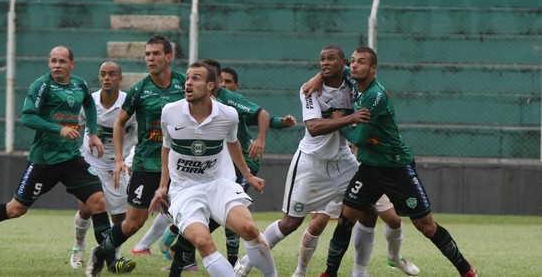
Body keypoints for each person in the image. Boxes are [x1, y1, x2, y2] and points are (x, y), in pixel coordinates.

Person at [0, 46, 135, 273]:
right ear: (49, 63)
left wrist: (93, 133)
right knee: (16, 209)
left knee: (98, 202)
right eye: (53, 61)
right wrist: (59, 129)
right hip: (44, 161)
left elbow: (88, 104)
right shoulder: (42, 85)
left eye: (62, 61)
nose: (57, 65)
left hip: (71, 159)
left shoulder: (79, 84)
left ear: (72, 64)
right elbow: (27, 117)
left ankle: (109, 259)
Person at [316, 46, 477, 277]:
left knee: (426, 226)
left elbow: (360, 138)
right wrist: (317, 77)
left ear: (373, 69)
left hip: (396, 167)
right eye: (352, 61)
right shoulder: (353, 79)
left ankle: (466, 270)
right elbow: (334, 65)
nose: (353, 65)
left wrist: (341, 122)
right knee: (345, 219)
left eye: (361, 62)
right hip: (370, 169)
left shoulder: (375, 95)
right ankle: (329, 273)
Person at [233, 44, 392, 277]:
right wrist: (351, 118)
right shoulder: (310, 89)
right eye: (321, 60)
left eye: (330, 59)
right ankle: (247, 260)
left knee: (368, 209)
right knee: (290, 223)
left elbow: (379, 92)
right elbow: (314, 127)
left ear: (344, 63)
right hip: (311, 162)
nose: (325, 63)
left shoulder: (353, 83)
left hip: (343, 161)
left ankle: (359, 271)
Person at [150, 61, 277, 277]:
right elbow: (166, 148)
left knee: (249, 230)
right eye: (188, 78)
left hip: (219, 184)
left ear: (211, 85)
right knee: (202, 240)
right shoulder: (170, 112)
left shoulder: (228, 115)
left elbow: (233, 143)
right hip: (184, 190)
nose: (188, 82)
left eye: (196, 78)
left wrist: (248, 176)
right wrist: (163, 186)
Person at [84, 34, 186, 277]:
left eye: (156, 54)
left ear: (168, 57)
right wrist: (119, 159)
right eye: (147, 54)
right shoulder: (140, 90)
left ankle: (177, 270)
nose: (150, 58)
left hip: (178, 165)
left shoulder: (185, 84)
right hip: (146, 164)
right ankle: (101, 252)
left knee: (188, 218)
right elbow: (119, 123)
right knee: (132, 224)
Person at [69, 61, 138, 270]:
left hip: (116, 166)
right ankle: (78, 247)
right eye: (103, 74)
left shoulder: (129, 105)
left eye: (111, 74)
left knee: (120, 218)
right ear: (99, 78)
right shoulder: (89, 102)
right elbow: (75, 124)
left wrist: (128, 161)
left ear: (120, 78)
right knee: (87, 207)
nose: (107, 78)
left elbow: (138, 136)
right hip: (90, 163)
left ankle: (112, 254)